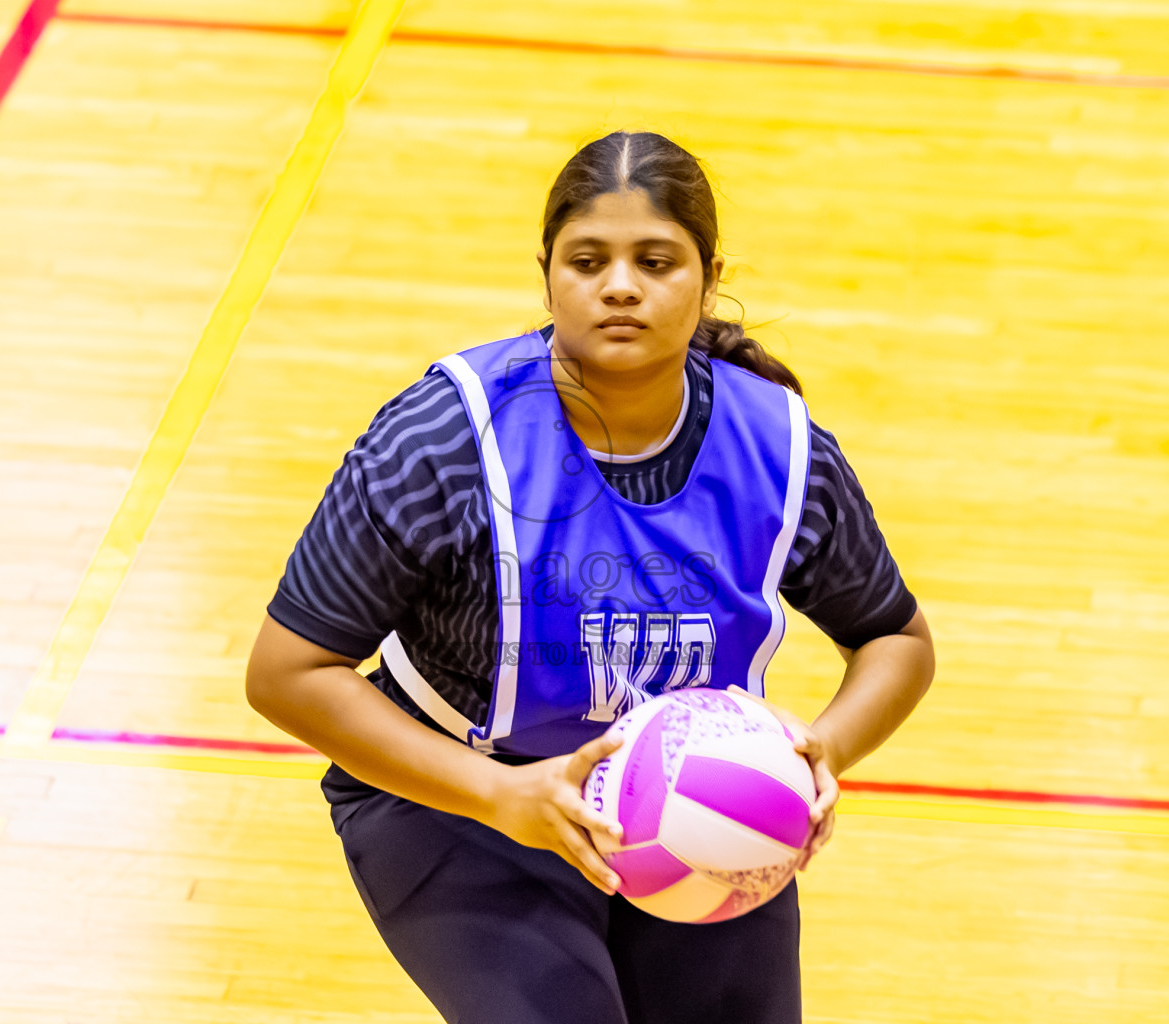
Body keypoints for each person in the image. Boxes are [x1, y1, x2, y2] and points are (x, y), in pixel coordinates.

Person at [246, 131, 935, 1024]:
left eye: (655, 261)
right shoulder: (443, 440)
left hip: (702, 795)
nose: (619, 286)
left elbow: (894, 638)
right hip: (462, 802)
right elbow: (288, 672)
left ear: (709, 278)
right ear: (546, 275)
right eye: (587, 260)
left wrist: (817, 755)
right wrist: (500, 797)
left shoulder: (780, 445)